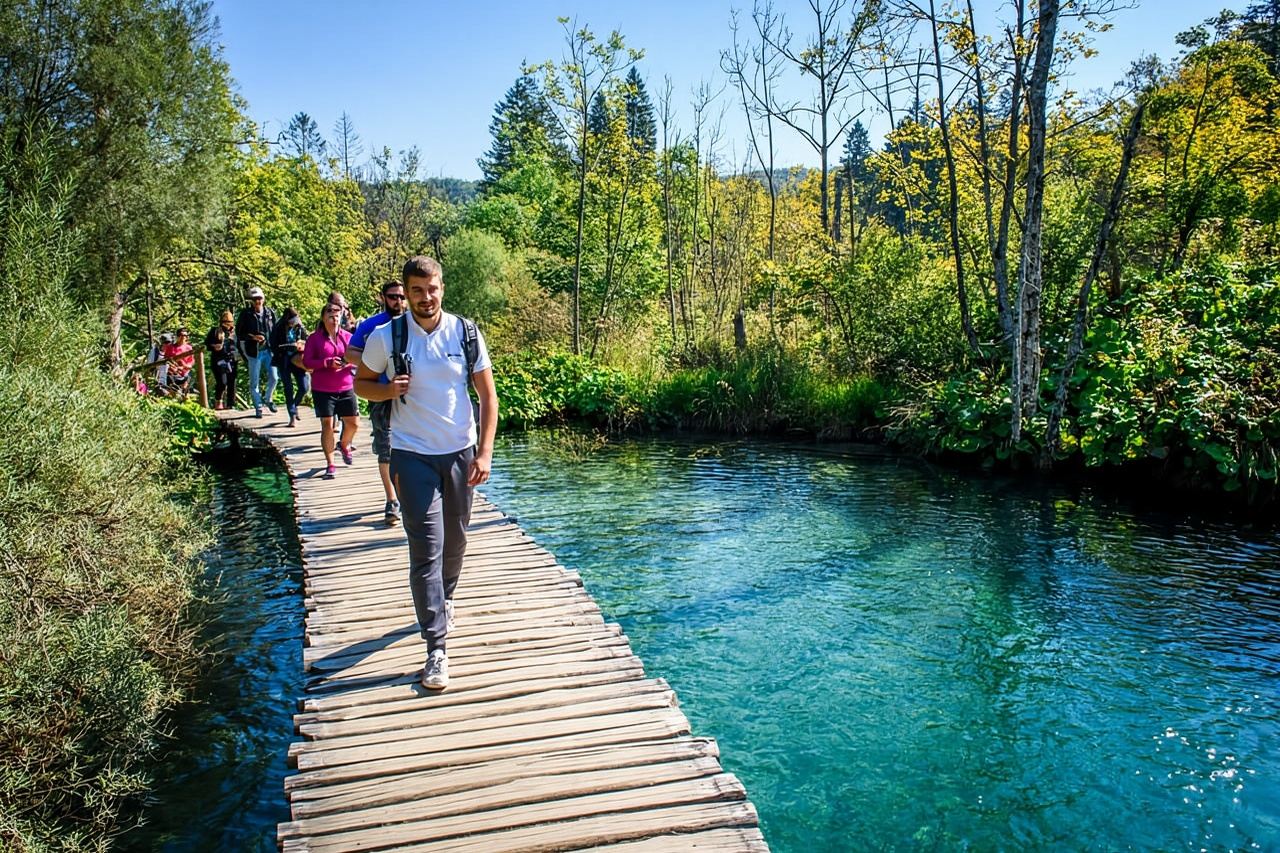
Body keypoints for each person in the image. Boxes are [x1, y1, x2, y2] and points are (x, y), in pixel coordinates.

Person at [355, 255, 498, 691]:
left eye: (431, 288)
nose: (425, 297)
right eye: (416, 290)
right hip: (411, 454)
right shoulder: (387, 336)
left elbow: (488, 397)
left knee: (455, 541)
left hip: (459, 454)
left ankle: (447, 597)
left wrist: (484, 452)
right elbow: (360, 383)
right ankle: (436, 648)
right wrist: (386, 389)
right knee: (426, 549)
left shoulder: (465, 332)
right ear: (405, 292)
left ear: (442, 287)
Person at [346, 281, 408, 526]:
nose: (398, 302)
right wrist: (375, 361)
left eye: (402, 297)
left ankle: (412, 496)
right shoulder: (372, 325)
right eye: (393, 297)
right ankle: (392, 500)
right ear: (383, 297)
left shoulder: (415, 322)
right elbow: (350, 353)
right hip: (380, 393)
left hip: (412, 395)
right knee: (386, 446)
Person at [302, 302, 359, 479]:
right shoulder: (314, 338)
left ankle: (344, 444)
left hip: (346, 385)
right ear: (323, 318)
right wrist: (326, 363)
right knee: (328, 425)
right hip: (323, 388)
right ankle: (330, 463)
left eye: (337, 315)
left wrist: (346, 363)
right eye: (330, 315)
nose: (334, 318)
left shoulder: (348, 337)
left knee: (354, 423)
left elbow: (357, 358)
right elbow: (307, 362)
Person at [236, 286, 278, 417]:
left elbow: (276, 330)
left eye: (259, 298)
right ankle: (258, 406)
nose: (257, 301)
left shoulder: (270, 313)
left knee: (275, 378)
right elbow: (239, 333)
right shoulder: (245, 314)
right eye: (254, 299)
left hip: (268, 351)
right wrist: (254, 337)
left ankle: (268, 398)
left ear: (263, 299)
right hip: (253, 352)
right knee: (254, 382)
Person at [271, 306, 309, 427]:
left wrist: (301, 344)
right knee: (288, 387)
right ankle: (292, 414)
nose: (295, 322)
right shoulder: (278, 328)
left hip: (298, 360)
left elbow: (307, 341)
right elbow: (273, 345)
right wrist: (285, 347)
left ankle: (295, 405)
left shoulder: (300, 328)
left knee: (304, 387)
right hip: (284, 360)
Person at [205, 312, 238, 409]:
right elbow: (207, 344)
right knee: (222, 382)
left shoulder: (235, 332)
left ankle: (231, 404)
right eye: (225, 322)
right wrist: (215, 346)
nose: (227, 324)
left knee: (232, 382)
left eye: (229, 322)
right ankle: (218, 401)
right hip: (218, 360)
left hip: (232, 360)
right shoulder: (215, 331)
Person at [162, 328, 195, 396]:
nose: (183, 337)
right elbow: (165, 360)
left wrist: (182, 366)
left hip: (184, 373)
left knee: (187, 380)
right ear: (177, 336)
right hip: (171, 372)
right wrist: (173, 367)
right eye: (181, 335)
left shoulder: (189, 348)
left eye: (185, 335)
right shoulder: (170, 347)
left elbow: (190, 365)